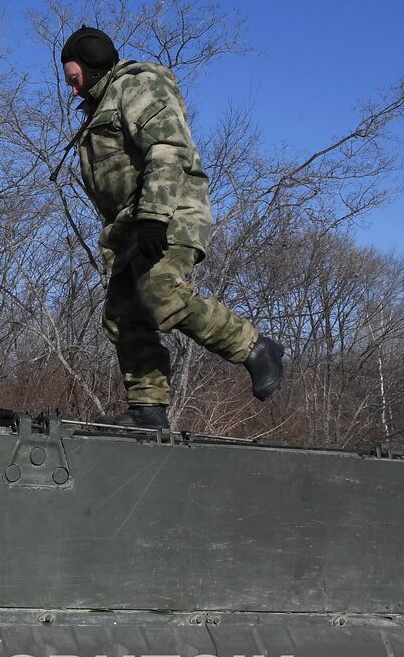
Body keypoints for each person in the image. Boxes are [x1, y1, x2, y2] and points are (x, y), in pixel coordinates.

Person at [61, 26, 284, 429]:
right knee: (123, 313)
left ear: (93, 69)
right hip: (131, 223)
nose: (73, 92)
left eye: (74, 80)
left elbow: (168, 148)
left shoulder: (140, 84)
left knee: (160, 289)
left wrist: (153, 216)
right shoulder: (102, 101)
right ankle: (148, 410)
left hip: (170, 210)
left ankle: (255, 347)